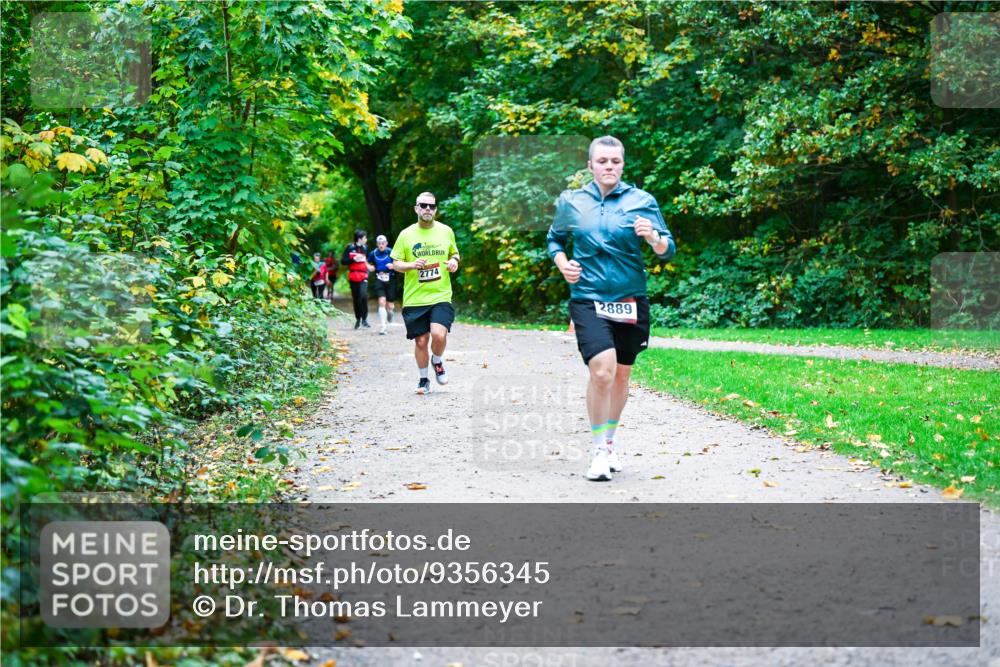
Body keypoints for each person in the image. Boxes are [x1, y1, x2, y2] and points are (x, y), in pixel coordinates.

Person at [546, 136, 675, 481]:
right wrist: (562, 262)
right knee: (602, 370)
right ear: (590, 166)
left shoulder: (642, 201)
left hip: (631, 300)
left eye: (615, 162)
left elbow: (668, 249)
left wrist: (653, 238)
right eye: (602, 161)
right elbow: (554, 239)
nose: (609, 167)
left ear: (622, 164)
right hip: (587, 297)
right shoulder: (572, 202)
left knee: (621, 376)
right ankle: (598, 449)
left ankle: (611, 440)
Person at [390, 192, 460, 394]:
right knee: (421, 341)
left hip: (440, 295)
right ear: (416, 209)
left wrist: (454, 261)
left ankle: (437, 361)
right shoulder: (406, 235)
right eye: (423, 205)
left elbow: (454, 253)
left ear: (435, 209)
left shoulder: (446, 231)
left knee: (439, 334)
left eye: (431, 206)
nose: (427, 209)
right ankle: (423, 380)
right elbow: (395, 264)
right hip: (415, 298)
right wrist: (412, 265)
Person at [367, 235, 398, 335]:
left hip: (390, 279)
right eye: (379, 243)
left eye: (383, 243)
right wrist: (370, 267)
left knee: (390, 305)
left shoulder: (391, 252)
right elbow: (367, 262)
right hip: (379, 278)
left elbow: (399, 263)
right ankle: (383, 326)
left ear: (386, 243)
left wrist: (393, 266)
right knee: (381, 301)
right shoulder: (373, 253)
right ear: (377, 244)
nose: (381, 245)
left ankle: (390, 312)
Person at [341, 230, 371, 329]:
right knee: (356, 298)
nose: (366, 240)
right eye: (365, 238)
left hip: (363, 276)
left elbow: (367, 261)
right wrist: (353, 259)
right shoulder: (350, 248)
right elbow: (343, 261)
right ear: (359, 239)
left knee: (363, 296)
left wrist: (369, 269)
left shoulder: (365, 248)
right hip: (353, 276)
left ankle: (365, 320)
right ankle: (358, 319)